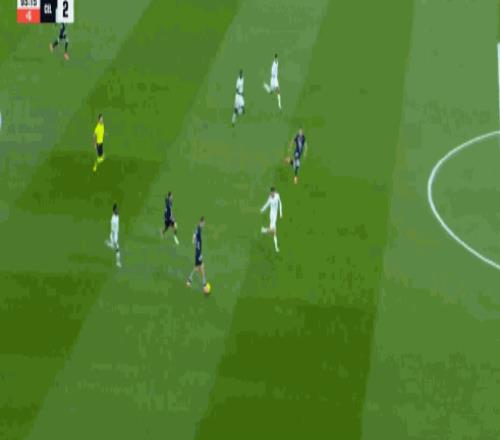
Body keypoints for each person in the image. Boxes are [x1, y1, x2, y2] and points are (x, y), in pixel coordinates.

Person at [186, 217, 208, 290]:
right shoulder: (198, 228)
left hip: (197, 252)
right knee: (202, 268)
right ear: (201, 222)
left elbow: (194, 234)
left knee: (197, 268)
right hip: (198, 253)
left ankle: (189, 281)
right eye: (203, 223)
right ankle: (204, 285)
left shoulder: (199, 228)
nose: (204, 224)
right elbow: (195, 234)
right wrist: (193, 240)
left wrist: (193, 240)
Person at [260, 187, 283, 252]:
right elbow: (267, 204)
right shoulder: (270, 198)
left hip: (275, 215)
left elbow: (280, 203)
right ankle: (264, 230)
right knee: (273, 231)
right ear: (270, 192)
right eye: (271, 193)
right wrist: (262, 209)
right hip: (272, 216)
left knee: (274, 233)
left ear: (275, 192)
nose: (272, 194)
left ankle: (276, 248)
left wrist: (281, 213)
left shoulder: (277, 196)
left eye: (273, 193)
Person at [105, 203, 122, 268]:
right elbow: (112, 231)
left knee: (115, 247)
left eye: (118, 209)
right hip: (114, 235)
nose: (118, 210)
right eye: (116, 209)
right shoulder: (113, 220)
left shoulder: (117, 215)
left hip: (116, 234)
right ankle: (118, 262)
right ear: (114, 210)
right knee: (117, 249)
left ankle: (110, 244)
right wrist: (114, 239)